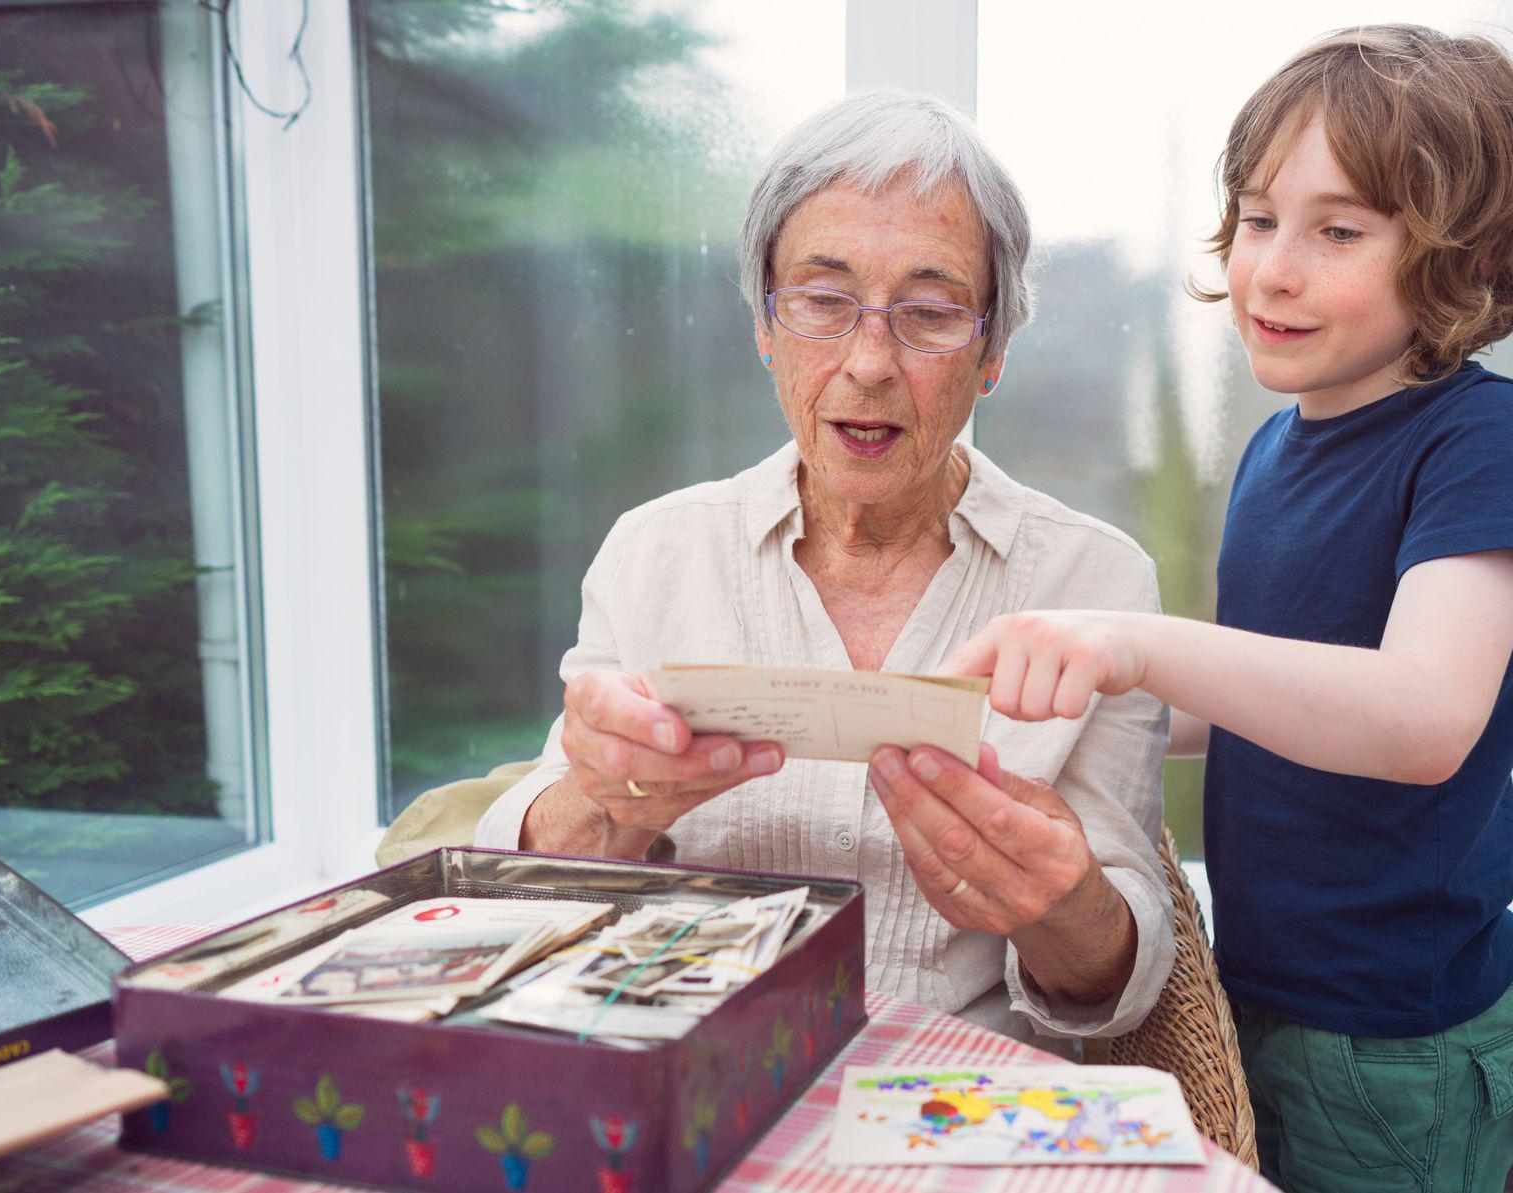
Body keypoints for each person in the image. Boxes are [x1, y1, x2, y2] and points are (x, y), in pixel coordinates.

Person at [939, 25, 1513, 1189]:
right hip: (1261, 992)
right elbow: (1257, 706)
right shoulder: (1278, 448)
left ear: (1459, 254)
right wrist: (1054, 704)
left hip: (1393, 1039)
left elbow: (1421, 721)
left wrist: (1136, 641)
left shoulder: (1480, 435)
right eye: (1259, 217)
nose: (1272, 266)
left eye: (1337, 230)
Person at [471, 90, 1172, 1053]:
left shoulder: (1097, 585)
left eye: (929, 312)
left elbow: (1117, 979)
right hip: (689, 1078)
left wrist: (1061, 904)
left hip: (956, 1108)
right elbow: (529, 888)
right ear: (766, 323)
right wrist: (601, 799)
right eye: (822, 302)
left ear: (993, 350)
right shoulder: (656, 552)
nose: (870, 361)